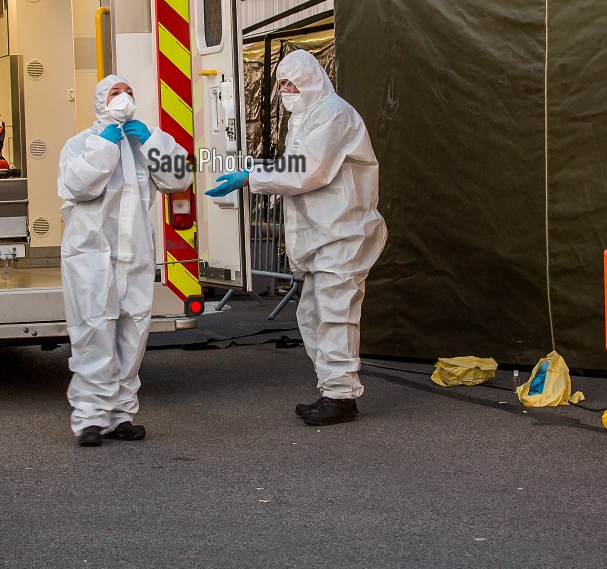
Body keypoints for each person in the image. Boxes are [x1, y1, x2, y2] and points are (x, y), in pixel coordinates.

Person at [207, 50, 386, 426]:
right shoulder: (305, 118)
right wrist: (257, 171)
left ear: (312, 80)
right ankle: (333, 389)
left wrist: (252, 178)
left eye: (293, 83)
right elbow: (297, 166)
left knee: (335, 316)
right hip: (325, 234)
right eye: (282, 84)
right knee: (312, 314)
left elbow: (307, 171)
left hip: (342, 232)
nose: (287, 90)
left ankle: (340, 396)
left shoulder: (333, 113)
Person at [58, 75, 193, 446]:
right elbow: (78, 186)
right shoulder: (81, 144)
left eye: (129, 93)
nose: (124, 98)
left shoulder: (142, 143)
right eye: (115, 93)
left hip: (134, 255)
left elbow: (179, 178)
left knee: (132, 335)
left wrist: (151, 139)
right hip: (91, 255)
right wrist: (105, 144)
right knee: (93, 335)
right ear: (101, 101)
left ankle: (120, 415)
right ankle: (90, 419)